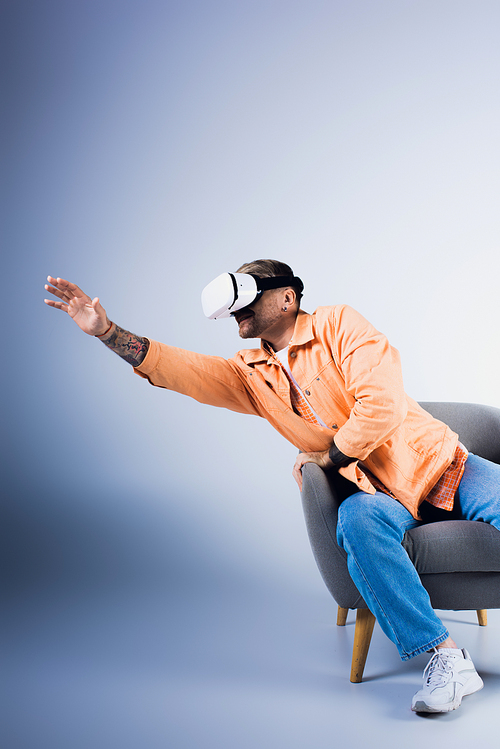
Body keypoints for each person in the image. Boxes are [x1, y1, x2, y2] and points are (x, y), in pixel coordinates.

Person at [44, 259, 499, 713]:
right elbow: (181, 370)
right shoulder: (251, 373)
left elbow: (380, 405)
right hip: (377, 493)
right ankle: (446, 659)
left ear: (287, 298)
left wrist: (329, 456)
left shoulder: (337, 323)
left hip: (439, 464)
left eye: (249, 295)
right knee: (355, 523)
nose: (237, 312)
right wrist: (107, 332)